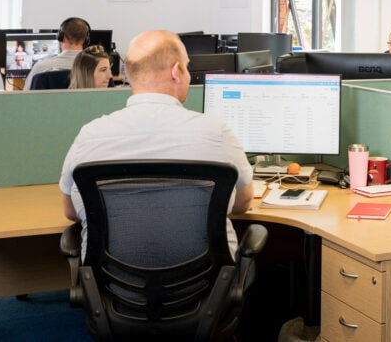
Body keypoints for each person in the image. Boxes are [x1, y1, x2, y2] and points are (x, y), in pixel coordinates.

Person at [59, 30, 254, 260]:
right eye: (187, 67)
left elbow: (71, 211)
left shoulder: (90, 135)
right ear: (176, 71)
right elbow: (243, 202)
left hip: (114, 288)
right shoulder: (215, 132)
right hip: (208, 287)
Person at [24, 17, 90, 90]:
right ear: (86, 40)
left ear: (62, 37)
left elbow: (25, 97)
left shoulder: (40, 67)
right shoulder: (95, 67)